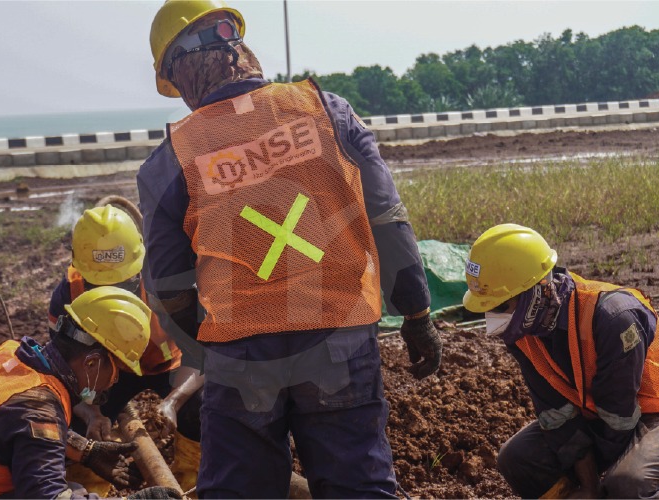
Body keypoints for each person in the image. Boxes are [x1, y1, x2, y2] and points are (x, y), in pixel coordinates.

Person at [138, 1, 442, 497]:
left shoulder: (172, 157)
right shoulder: (326, 111)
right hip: (338, 339)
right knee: (357, 487)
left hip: (241, 354)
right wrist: (416, 312)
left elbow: (168, 286)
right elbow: (388, 219)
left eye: (176, 82)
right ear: (236, 45)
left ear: (184, 65)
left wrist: (210, 348)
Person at [462, 223, 659, 498]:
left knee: (626, 484)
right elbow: (554, 412)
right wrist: (588, 487)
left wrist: (598, 491)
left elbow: (618, 416)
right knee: (517, 457)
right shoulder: (520, 330)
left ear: (534, 292)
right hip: (599, 413)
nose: (493, 319)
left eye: (500, 306)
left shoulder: (612, 316)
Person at [0, 287, 180, 500]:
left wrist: (87, 452)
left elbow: (12, 426)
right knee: (70, 494)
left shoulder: (12, 357)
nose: (113, 383)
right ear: (92, 362)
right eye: (115, 372)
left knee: (76, 490)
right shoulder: (39, 406)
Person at [48, 205, 202, 492]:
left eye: (122, 284)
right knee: (72, 424)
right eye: (100, 285)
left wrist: (174, 401)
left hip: (167, 367)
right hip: (105, 375)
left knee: (203, 408)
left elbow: (202, 353)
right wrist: (90, 412)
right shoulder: (68, 295)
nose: (113, 294)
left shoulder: (167, 284)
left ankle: (190, 483)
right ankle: (89, 490)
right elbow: (62, 371)